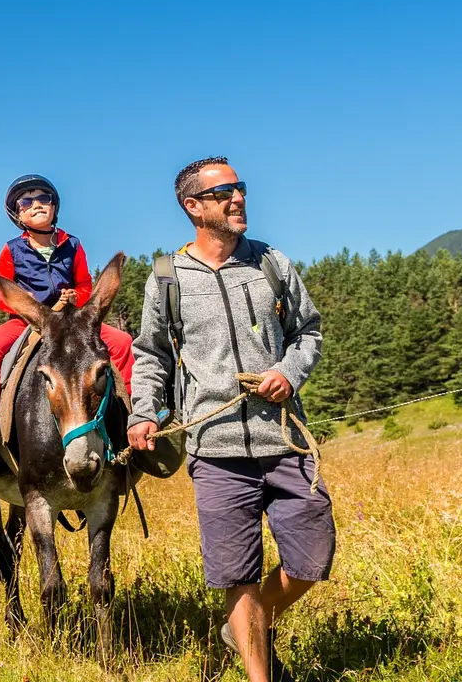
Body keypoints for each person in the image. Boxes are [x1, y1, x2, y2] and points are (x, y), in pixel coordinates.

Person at [127, 157, 331, 682]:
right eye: (224, 193)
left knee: (313, 558)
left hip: (284, 440)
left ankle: (239, 630)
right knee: (237, 575)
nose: (238, 198)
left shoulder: (271, 263)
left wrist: (288, 372)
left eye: (240, 188)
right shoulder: (166, 278)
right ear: (193, 207)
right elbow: (151, 355)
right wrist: (143, 413)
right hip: (214, 449)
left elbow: (308, 331)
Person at [0, 174, 134, 452]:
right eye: (26, 202)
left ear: (54, 207)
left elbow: (84, 283)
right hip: (28, 320)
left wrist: (76, 297)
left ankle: (133, 411)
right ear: (17, 215)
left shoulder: (72, 244)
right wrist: (25, 304)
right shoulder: (12, 249)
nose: (36, 204)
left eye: (43, 198)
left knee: (122, 342)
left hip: (71, 319)